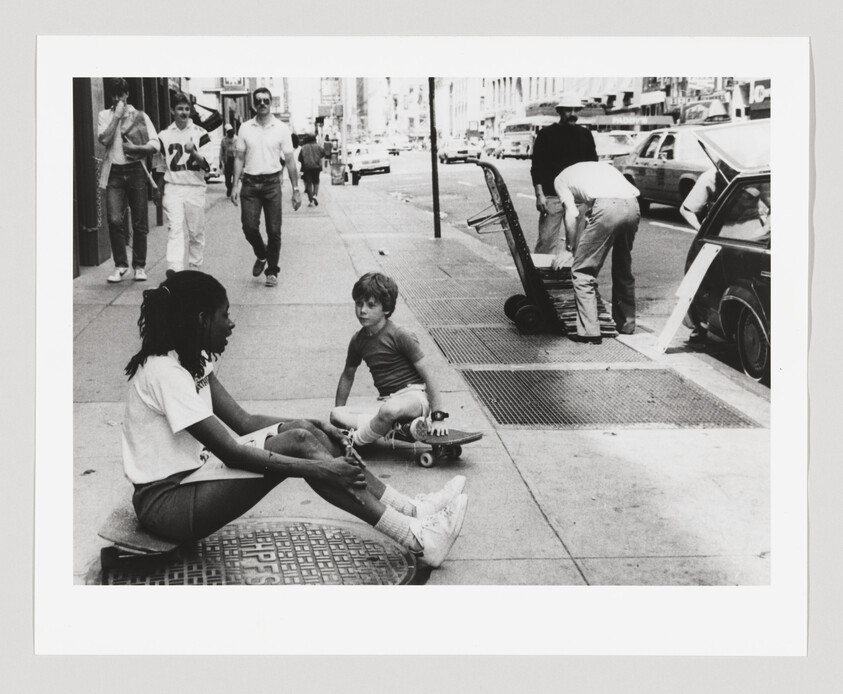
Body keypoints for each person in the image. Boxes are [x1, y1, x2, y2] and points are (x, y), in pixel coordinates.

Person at [121, 270, 468, 569]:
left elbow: (243, 420)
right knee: (301, 445)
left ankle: (411, 509)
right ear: (201, 320)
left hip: (195, 479)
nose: (231, 322)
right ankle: (417, 538)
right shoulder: (164, 371)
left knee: (306, 431)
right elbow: (230, 451)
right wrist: (320, 468)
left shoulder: (191, 357)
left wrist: (314, 424)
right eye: (224, 315)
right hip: (167, 503)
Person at [331, 272, 451, 448]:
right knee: (335, 415)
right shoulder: (357, 340)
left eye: (371, 305)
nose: (362, 310)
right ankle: (401, 428)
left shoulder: (399, 334)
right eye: (359, 304)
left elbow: (428, 375)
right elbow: (348, 375)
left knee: (390, 410)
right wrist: (340, 420)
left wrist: (438, 416)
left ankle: (354, 442)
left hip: (414, 398)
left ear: (386, 309)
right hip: (386, 401)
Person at [551, 161, 641, 343]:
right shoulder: (595, 168)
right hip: (633, 205)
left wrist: (569, 249)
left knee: (582, 271)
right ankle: (627, 324)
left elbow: (573, 214)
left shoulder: (560, 180)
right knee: (623, 266)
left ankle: (589, 331)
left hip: (607, 207)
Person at [231, 87, 302, 288]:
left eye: (266, 100)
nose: (262, 104)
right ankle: (261, 253)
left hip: (272, 184)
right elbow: (238, 157)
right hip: (250, 184)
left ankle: (272, 271)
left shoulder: (281, 128)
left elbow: (289, 160)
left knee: (274, 230)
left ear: (271, 103)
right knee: (249, 227)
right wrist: (235, 186)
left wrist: (296, 190)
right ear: (254, 104)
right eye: (259, 101)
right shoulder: (244, 128)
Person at [97, 78, 159, 283]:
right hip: (114, 172)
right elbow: (104, 140)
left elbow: (155, 144)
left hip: (136, 171)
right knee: (114, 220)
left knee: (140, 220)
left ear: (127, 94)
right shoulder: (104, 115)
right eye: (114, 95)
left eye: (120, 94)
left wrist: (138, 150)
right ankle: (120, 265)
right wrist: (116, 117)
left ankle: (139, 266)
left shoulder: (140, 116)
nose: (117, 99)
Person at [530, 94, 598, 255]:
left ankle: (571, 277)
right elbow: (537, 167)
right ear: (560, 111)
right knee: (546, 241)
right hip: (552, 197)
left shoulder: (585, 135)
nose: (572, 113)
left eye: (576, 110)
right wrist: (539, 195)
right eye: (568, 110)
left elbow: (592, 167)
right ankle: (541, 278)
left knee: (577, 242)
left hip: (578, 198)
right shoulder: (546, 134)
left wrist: (592, 198)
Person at [157, 92, 211, 275]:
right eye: (180, 108)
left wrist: (193, 152)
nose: (184, 112)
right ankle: (175, 269)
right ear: (173, 110)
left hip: (195, 187)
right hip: (173, 186)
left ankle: (195, 268)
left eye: (187, 109)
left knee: (196, 232)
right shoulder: (163, 135)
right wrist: (158, 188)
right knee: (175, 229)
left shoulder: (201, 134)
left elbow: (207, 165)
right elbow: (160, 164)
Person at [298, 134, 324, 206]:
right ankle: (315, 195)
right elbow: (323, 153)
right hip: (316, 167)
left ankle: (311, 201)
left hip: (307, 168)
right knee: (316, 182)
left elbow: (299, 158)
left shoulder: (303, 148)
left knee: (309, 184)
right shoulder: (318, 147)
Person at [219, 124, 237, 197]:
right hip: (227, 160)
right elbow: (221, 151)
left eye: (232, 132)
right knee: (227, 178)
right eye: (229, 132)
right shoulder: (224, 140)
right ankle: (229, 188)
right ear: (227, 132)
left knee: (236, 176)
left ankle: (234, 190)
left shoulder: (237, 139)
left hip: (235, 160)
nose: (231, 133)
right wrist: (220, 161)